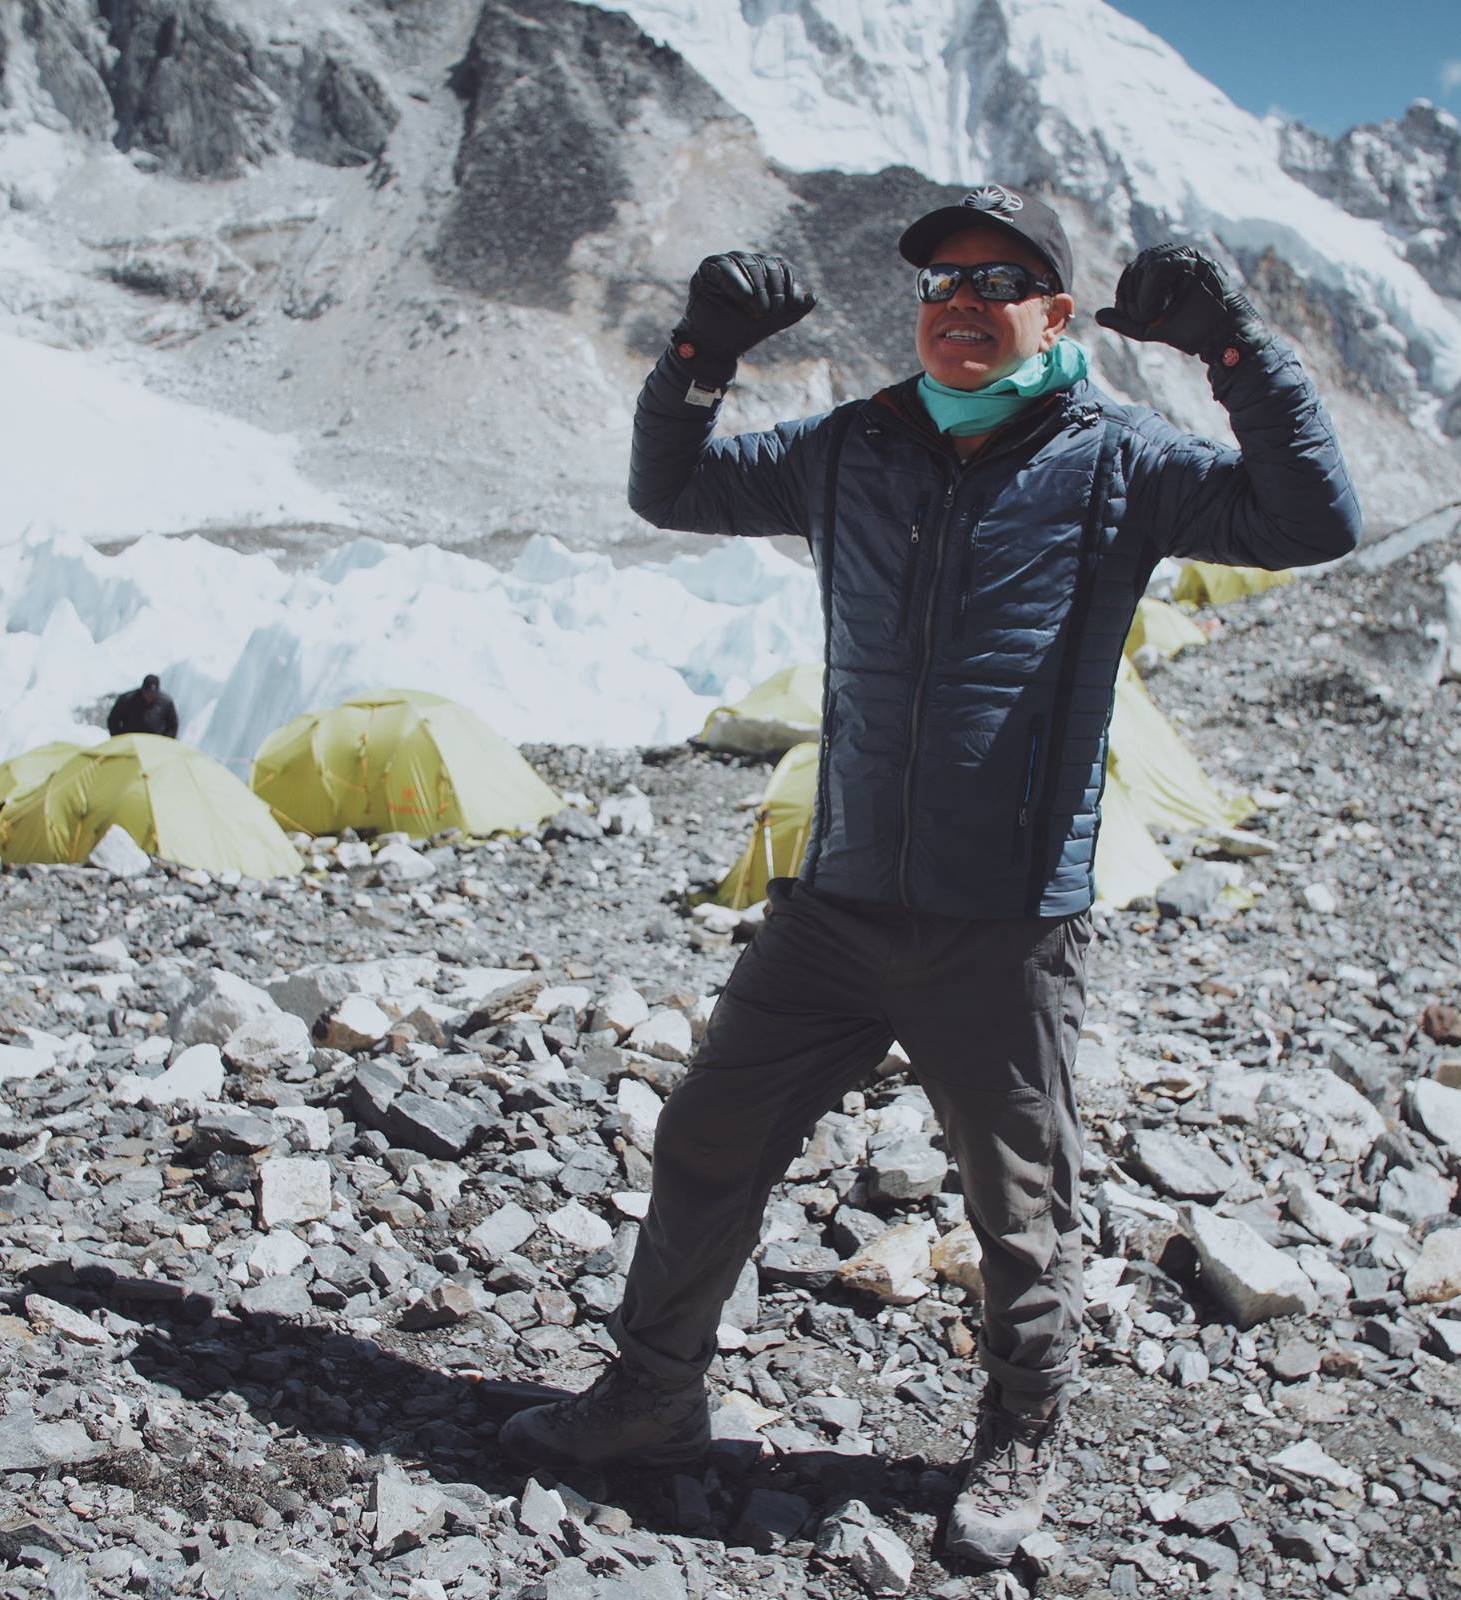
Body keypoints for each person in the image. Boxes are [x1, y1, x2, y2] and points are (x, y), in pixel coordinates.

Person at [501, 184, 1361, 1567]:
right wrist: (695, 361)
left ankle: (1023, 1436)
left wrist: (1236, 348)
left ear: (1056, 315)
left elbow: (1312, 517)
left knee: (1022, 1211)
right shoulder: (856, 446)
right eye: (939, 284)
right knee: (707, 1142)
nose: (961, 304)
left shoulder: (1123, 460)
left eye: (997, 280)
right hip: (835, 908)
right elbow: (670, 490)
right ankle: (647, 1404)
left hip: (1005, 929)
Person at [108, 674, 179, 739]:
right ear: (142, 689)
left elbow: (172, 726)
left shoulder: (166, 702)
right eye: (147, 692)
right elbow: (113, 720)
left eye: (153, 693)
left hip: (155, 745)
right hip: (130, 743)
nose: (149, 695)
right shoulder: (127, 699)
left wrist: (164, 742)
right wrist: (119, 738)